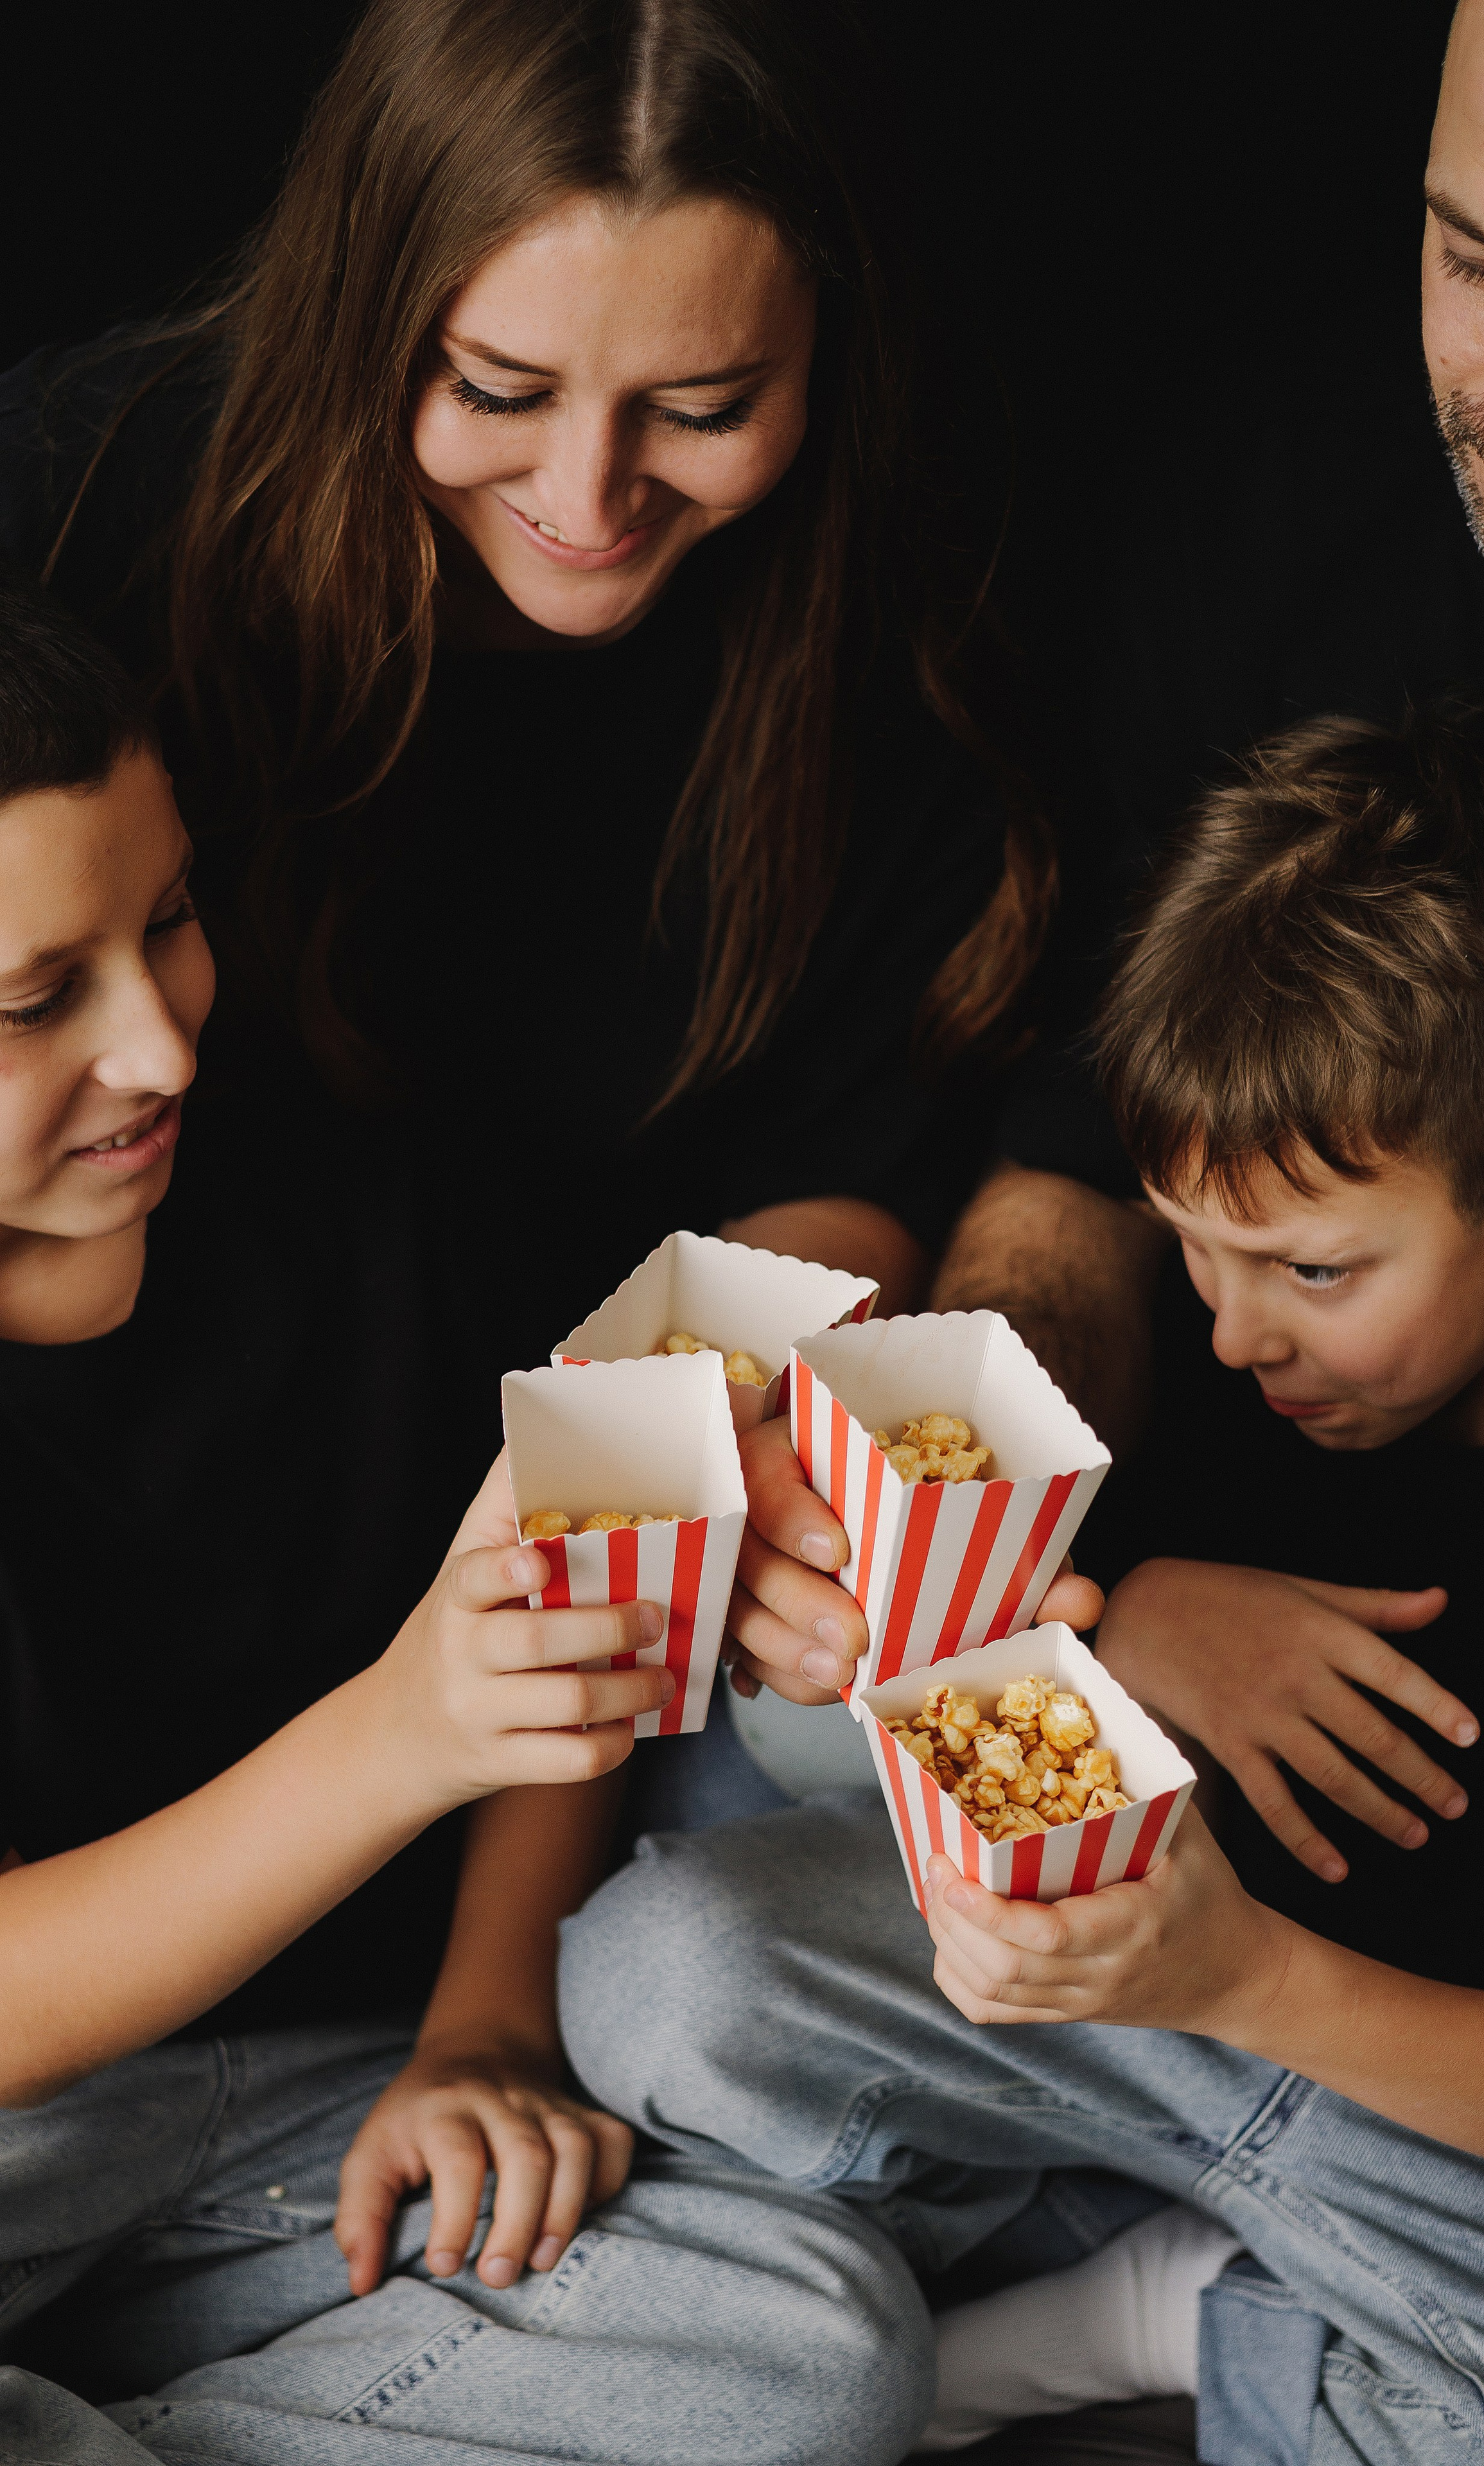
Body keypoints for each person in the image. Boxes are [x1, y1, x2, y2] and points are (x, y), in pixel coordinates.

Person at [0, 0, 1060, 2361]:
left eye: (698, 408)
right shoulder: (93, 529)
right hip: (234, 1792)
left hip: (528, 1599)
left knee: (797, 2292)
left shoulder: (863, 669)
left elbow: (809, 1223)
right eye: (496, 389)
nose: (591, 497)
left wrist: (493, 1990)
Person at [559, 702, 1484, 2466]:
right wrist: (1099, 1613)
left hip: (1450, 2107)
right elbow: (954, 1671)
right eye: (1193, 1249)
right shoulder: (1225, 1328)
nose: (1236, 1332)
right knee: (658, 1967)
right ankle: (1263, 2304)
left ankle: (1187, 2302)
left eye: (1310, 1269)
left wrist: (1242, 1987)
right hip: (1130, 2017)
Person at [0, 580, 925, 2466]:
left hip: (286, 2105)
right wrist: (398, 1731)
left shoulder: (348, 1181)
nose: (161, 1049)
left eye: (167, 923)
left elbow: (585, 1580)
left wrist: (488, 2024)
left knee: (806, 2339)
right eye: (32, 1003)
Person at [898, 0, 1484, 1895]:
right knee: (702, 1895)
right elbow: (1078, 1167)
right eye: (1475, 262)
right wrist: (992, 1580)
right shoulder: (1266, 514)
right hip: (1168, 1677)